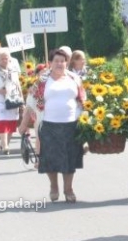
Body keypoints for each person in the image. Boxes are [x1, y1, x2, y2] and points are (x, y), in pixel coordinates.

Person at [18, 49, 86, 203]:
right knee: (50, 159)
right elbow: (30, 103)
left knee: (70, 159)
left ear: (67, 63)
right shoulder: (42, 81)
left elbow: (83, 100)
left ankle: (68, 189)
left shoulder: (74, 78)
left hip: (71, 124)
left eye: (63, 61)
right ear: (50, 63)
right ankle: (54, 186)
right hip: (48, 124)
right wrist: (23, 124)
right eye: (56, 61)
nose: (60, 64)